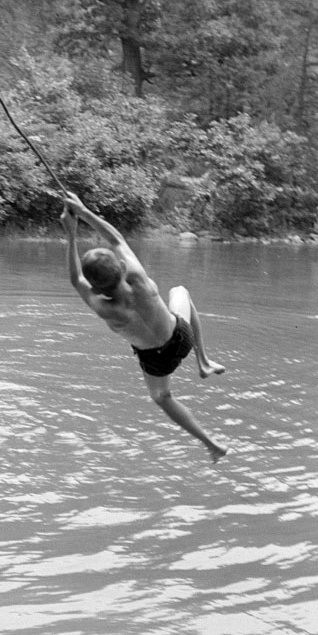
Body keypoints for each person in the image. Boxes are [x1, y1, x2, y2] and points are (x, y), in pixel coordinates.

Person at [60, 191, 227, 463]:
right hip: (181, 336)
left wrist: (70, 234)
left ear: (97, 288)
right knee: (180, 291)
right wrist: (83, 212)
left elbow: (75, 278)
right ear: (122, 267)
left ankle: (211, 443)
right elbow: (117, 239)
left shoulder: (105, 308)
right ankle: (203, 361)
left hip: (156, 361)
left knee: (162, 397)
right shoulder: (138, 278)